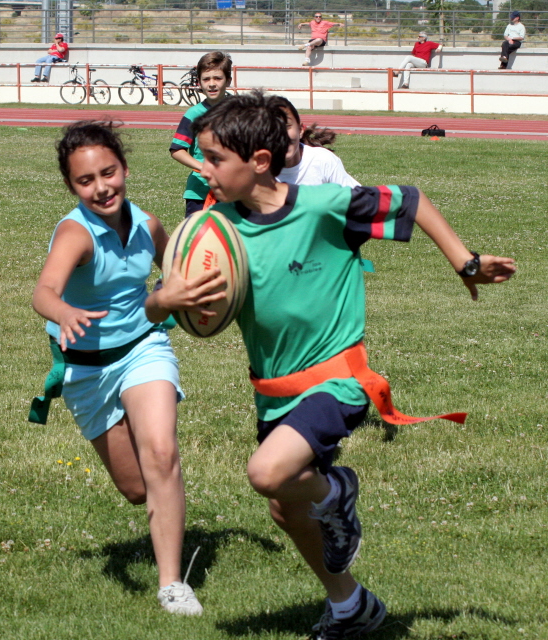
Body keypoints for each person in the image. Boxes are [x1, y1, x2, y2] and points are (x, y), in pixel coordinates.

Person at [147, 91, 516, 639]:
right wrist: (163, 303)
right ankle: (350, 605)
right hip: (273, 391)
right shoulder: (217, 230)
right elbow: (173, 305)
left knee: (266, 472)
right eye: (202, 157)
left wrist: (464, 262)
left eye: (215, 159)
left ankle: (337, 493)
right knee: (285, 507)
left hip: (337, 379)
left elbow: (411, 201)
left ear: (260, 162)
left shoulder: (325, 206)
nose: (203, 169)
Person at [30, 121, 226, 616]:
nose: (101, 187)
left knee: (161, 454)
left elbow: (177, 269)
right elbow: (43, 292)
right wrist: (64, 313)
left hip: (144, 347)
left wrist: (205, 290)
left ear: (125, 169)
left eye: (108, 172)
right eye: (85, 180)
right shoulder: (77, 233)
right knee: (137, 487)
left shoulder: (150, 224)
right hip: (86, 371)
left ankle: (171, 585)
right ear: (72, 187)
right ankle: (162, 509)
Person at [169, 51, 232, 217]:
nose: (212, 84)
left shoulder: (240, 111)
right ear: (199, 82)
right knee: (199, 240)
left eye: (218, 78)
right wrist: (203, 168)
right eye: (206, 79)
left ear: (228, 81)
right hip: (200, 193)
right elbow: (177, 150)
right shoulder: (193, 114)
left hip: (233, 191)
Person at [271, 96, 360, 188]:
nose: (281, 135)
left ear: (300, 130)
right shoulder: (257, 169)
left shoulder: (323, 160)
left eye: (287, 126)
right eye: (272, 129)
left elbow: (360, 197)